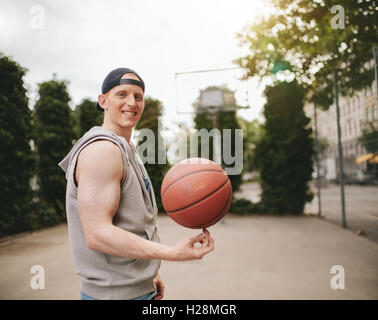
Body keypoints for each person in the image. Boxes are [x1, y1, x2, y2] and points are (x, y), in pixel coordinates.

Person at [58, 67, 214, 300]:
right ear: (103, 101)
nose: (132, 102)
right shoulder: (103, 150)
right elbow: (97, 233)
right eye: (122, 94)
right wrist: (171, 252)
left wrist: (149, 274)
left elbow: (134, 222)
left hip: (136, 289)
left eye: (138, 96)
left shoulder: (125, 148)